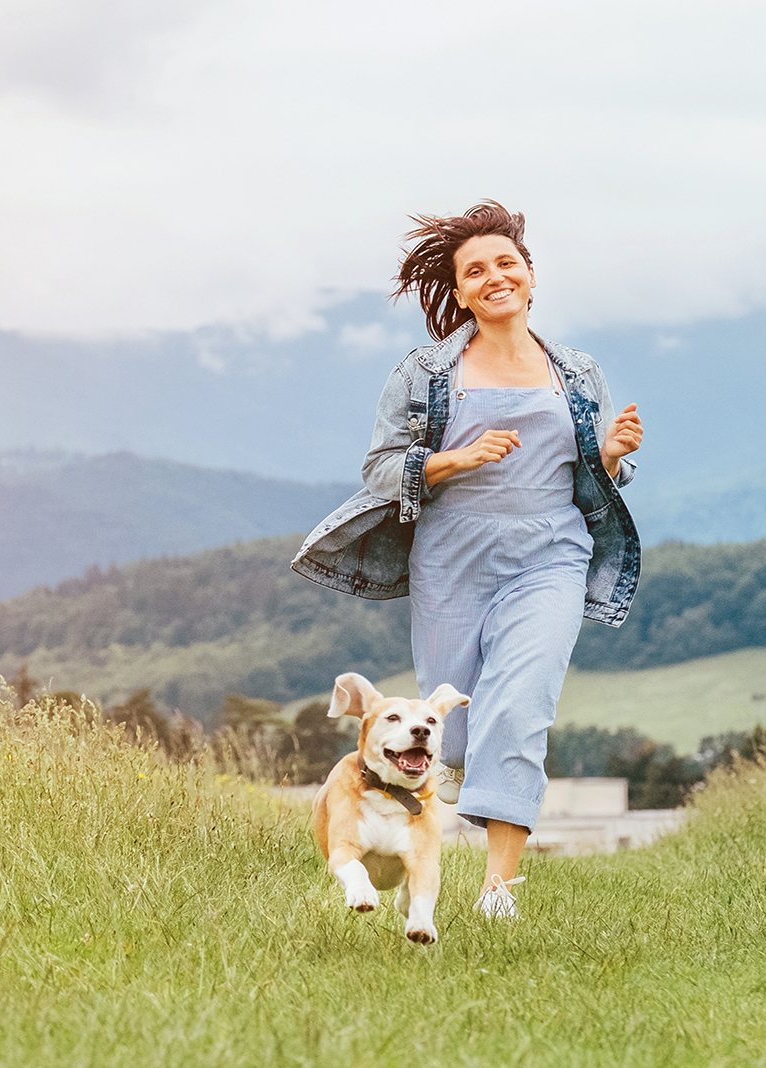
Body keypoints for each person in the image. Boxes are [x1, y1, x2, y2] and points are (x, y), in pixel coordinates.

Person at [291, 201, 643, 919]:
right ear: (459, 292)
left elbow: (589, 474)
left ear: (531, 277)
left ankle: (498, 887)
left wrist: (608, 455)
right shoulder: (425, 373)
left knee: (519, 708)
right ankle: (453, 778)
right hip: (451, 559)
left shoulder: (576, 372)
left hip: (551, 553)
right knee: (456, 720)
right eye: (475, 270)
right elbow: (382, 468)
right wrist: (454, 460)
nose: (495, 277)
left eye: (507, 264)